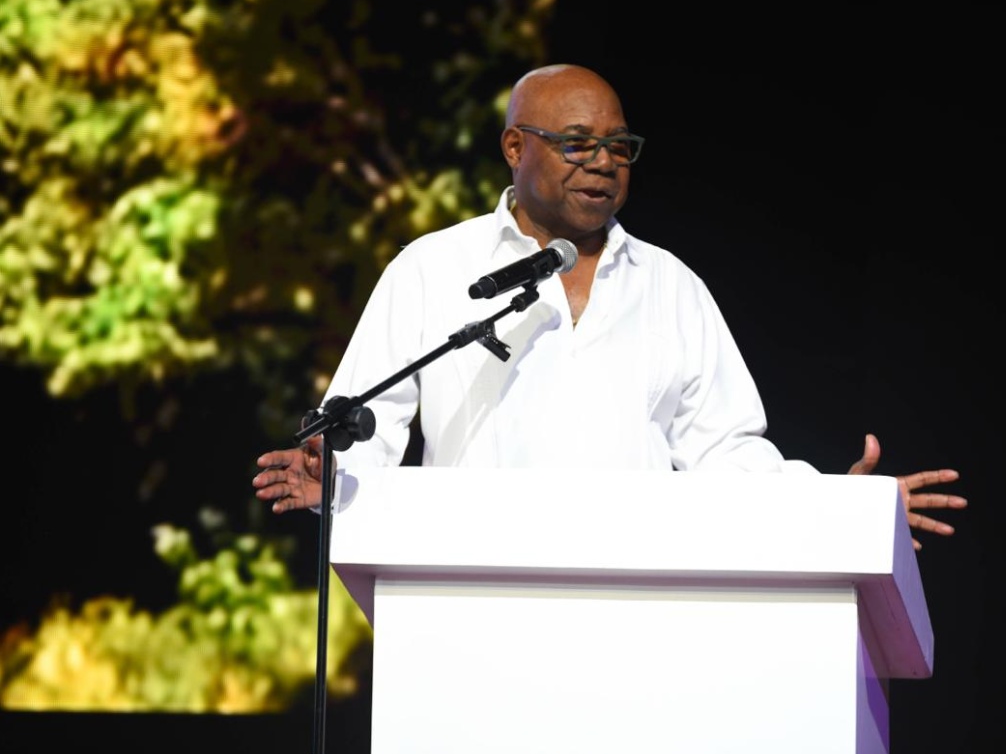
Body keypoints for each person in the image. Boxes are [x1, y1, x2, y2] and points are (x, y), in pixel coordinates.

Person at [252, 63, 967, 550]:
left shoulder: (670, 286)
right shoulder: (432, 270)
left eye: (618, 147)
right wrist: (330, 477)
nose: (603, 162)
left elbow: (728, 456)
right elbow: (361, 432)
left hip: (640, 619)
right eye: (576, 143)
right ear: (513, 147)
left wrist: (840, 513)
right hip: (467, 611)